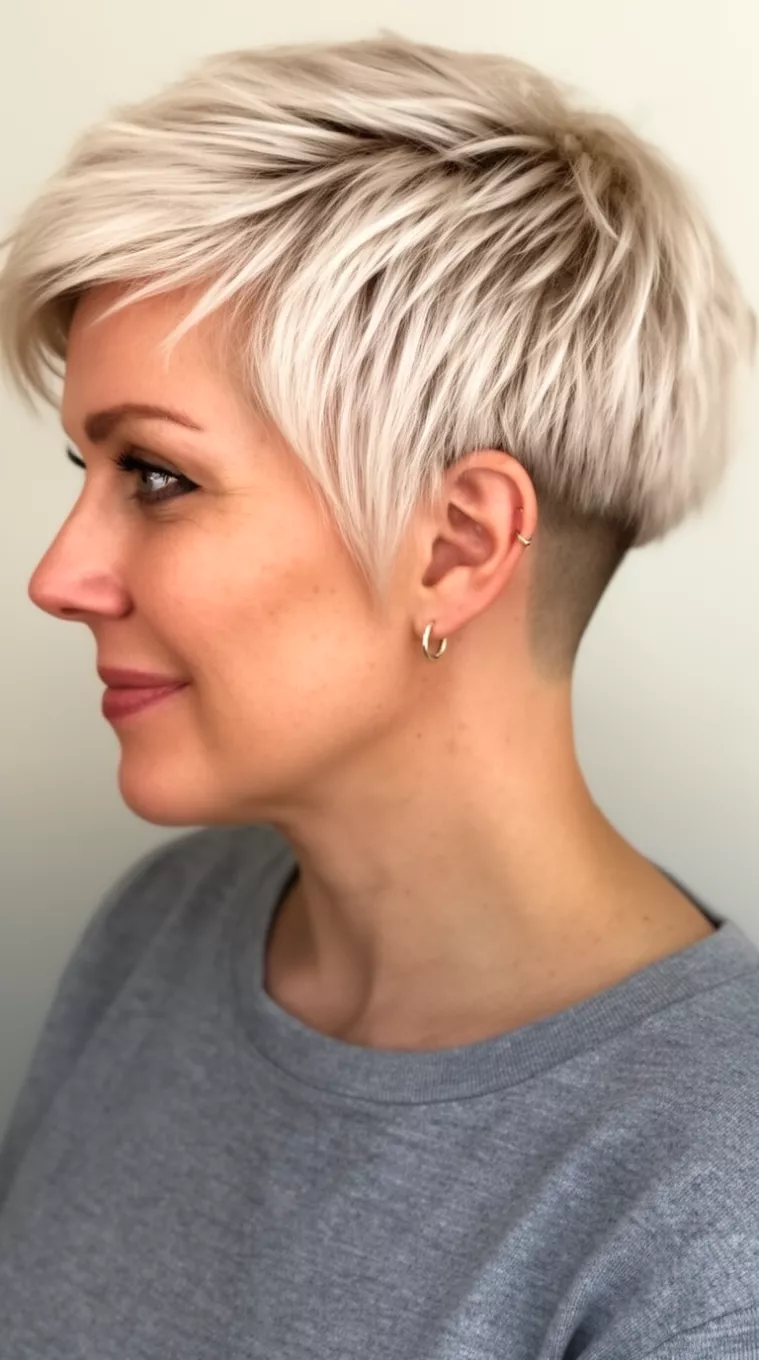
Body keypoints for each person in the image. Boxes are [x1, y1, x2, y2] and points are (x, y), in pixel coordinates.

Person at [0, 31, 756, 1360]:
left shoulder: (708, 1212)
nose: (59, 577)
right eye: (84, 466)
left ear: (458, 545)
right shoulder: (167, 928)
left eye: (157, 477)